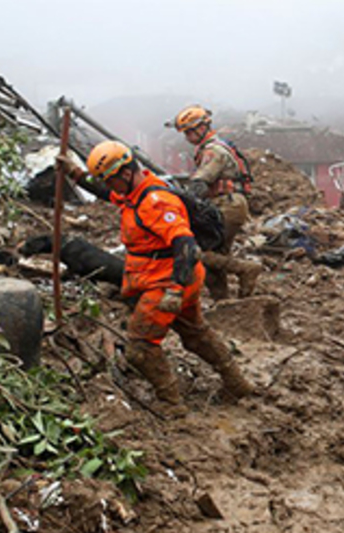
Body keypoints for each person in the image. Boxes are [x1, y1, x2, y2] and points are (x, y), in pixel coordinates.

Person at [65, 141, 254, 418]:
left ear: (126, 173)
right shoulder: (135, 192)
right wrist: (76, 175)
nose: (110, 186)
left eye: (111, 179)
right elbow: (109, 194)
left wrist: (175, 290)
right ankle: (237, 383)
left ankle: (171, 402)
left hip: (168, 281)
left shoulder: (156, 202)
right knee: (195, 333)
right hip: (171, 277)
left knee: (140, 346)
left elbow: (186, 245)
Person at [172, 105, 265, 298]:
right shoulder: (214, 147)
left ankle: (246, 269)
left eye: (190, 131)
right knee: (216, 259)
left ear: (202, 127)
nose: (188, 137)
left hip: (227, 205)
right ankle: (224, 303)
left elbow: (200, 183)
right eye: (185, 133)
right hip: (226, 204)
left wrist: (184, 202)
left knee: (205, 253)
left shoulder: (213, 151)